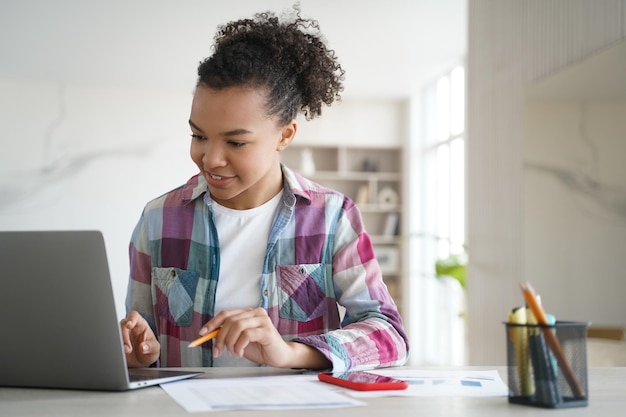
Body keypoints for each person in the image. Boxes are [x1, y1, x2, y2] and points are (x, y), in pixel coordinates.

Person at [120, 6, 409, 372]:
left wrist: (290, 353)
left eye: (236, 143)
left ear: (285, 135)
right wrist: (140, 355)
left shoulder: (333, 216)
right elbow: (143, 345)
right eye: (198, 136)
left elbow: (390, 337)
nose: (211, 158)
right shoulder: (158, 219)